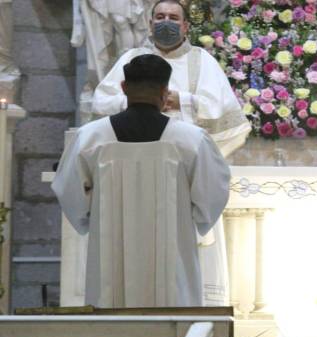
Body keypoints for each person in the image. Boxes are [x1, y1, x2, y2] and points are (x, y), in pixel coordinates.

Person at [91, 0, 251, 306]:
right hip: (133, 166)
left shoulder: (202, 61)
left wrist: (182, 101)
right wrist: (141, 101)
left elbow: (226, 114)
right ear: (150, 24)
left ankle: (193, 316)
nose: (166, 22)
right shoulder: (132, 59)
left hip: (184, 170)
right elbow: (102, 101)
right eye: (160, 17)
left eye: (174, 18)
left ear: (186, 26)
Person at [52, 53, 230, 309]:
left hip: (109, 252)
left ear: (124, 88)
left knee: (110, 311)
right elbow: (213, 194)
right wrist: (191, 215)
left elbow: (69, 191)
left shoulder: (91, 137)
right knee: (174, 327)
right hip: (173, 254)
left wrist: (90, 213)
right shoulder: (191, 139)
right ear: (165, 91)